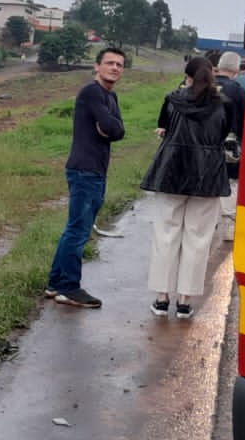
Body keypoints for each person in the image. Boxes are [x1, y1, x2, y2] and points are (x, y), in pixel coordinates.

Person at [142, 56, 232, 320]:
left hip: (171, 171)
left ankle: (161, 299)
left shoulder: (172, 99)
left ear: (187, 76)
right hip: (207, 174)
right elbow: (223, 135)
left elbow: (164, 128)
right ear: (212, 75)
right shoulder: (225, 105)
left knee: (166, 234)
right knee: (198, 238)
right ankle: (185, 302)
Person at [45, 47, 127, 309]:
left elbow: (118, 131)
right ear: (96, 66)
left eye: (119, 65)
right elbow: (112, 127)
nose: (115, 68)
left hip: (95, 170)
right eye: (110, 63)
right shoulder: (92, 92)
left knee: (74, 229)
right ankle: (69, 286)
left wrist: (110, 127)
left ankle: (56, 282)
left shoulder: (110, 97)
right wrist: (109, 127)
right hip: (84, 170)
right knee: (78, 231)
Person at [212, 52, 245, 241]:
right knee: (231, 184)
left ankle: (209, 223)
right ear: (237, 70)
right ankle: (228, 225)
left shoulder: (204, 86)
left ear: (218, 66)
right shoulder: (239, 92)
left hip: (203, 146)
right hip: (230, 146)